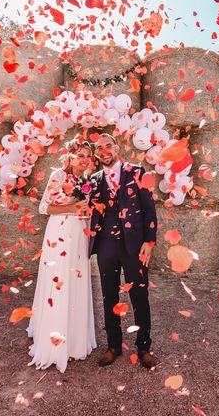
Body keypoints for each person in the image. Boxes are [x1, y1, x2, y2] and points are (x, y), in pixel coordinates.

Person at [26, 137, 97, 373]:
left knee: (75, 281)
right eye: (81, 155)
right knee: (59, 282)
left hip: (79, 233)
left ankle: (75, 339)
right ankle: (54, 341)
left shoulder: (86, 180)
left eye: (88, 155)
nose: (85, 159)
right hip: (59, 232)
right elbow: (44, 207)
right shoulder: (58, 175)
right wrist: (73, 208)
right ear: (70, 155)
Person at [89, 133, 159, 369]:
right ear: (96, 153)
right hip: (106, 245)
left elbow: (149, 209)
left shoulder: (137, 172)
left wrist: (149, 242)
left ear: (117, 148)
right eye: (99, 148)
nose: (104, 150)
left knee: (139, 296)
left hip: (134, 246)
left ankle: (143, 347)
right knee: (109, 296)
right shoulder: (94, 179)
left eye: (108, 146)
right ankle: (114, 346)